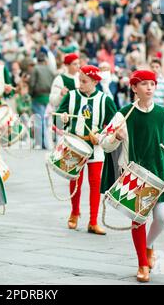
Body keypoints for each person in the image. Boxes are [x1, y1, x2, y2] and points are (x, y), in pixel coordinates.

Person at [100, 70, 164, 283]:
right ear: (134, 88)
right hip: (133, 175)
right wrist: (115, 136)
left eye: (152, 83)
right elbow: (104, 143)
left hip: (159, 172)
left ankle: (149, 246)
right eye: (144, 84)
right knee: (138, 220)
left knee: (161, 218)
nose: (149, 87)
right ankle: (142, 263)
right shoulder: (124, 113)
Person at [57, 65, 117, 235]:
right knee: (74, 179)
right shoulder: (71, 96)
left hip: (95, 147)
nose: (80, 84)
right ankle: (75, 212)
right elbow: (58, 120)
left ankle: (93, 221)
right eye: (79, 80)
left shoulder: (105, 100)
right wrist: (63, 119)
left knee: (95, 183)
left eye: (84, 81)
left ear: (95, 82)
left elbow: (114, 124)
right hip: (75, 144)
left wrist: (101, 134)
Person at [29, 52, 56, 150]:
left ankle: (41, 143)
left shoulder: (35, 69)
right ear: (45, 60)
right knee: (45, 120)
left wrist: (30, 94)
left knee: (39, 120)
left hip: (38, 96)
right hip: (48, 97)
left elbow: (32, 83)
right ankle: (44, 143)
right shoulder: (50, 69)